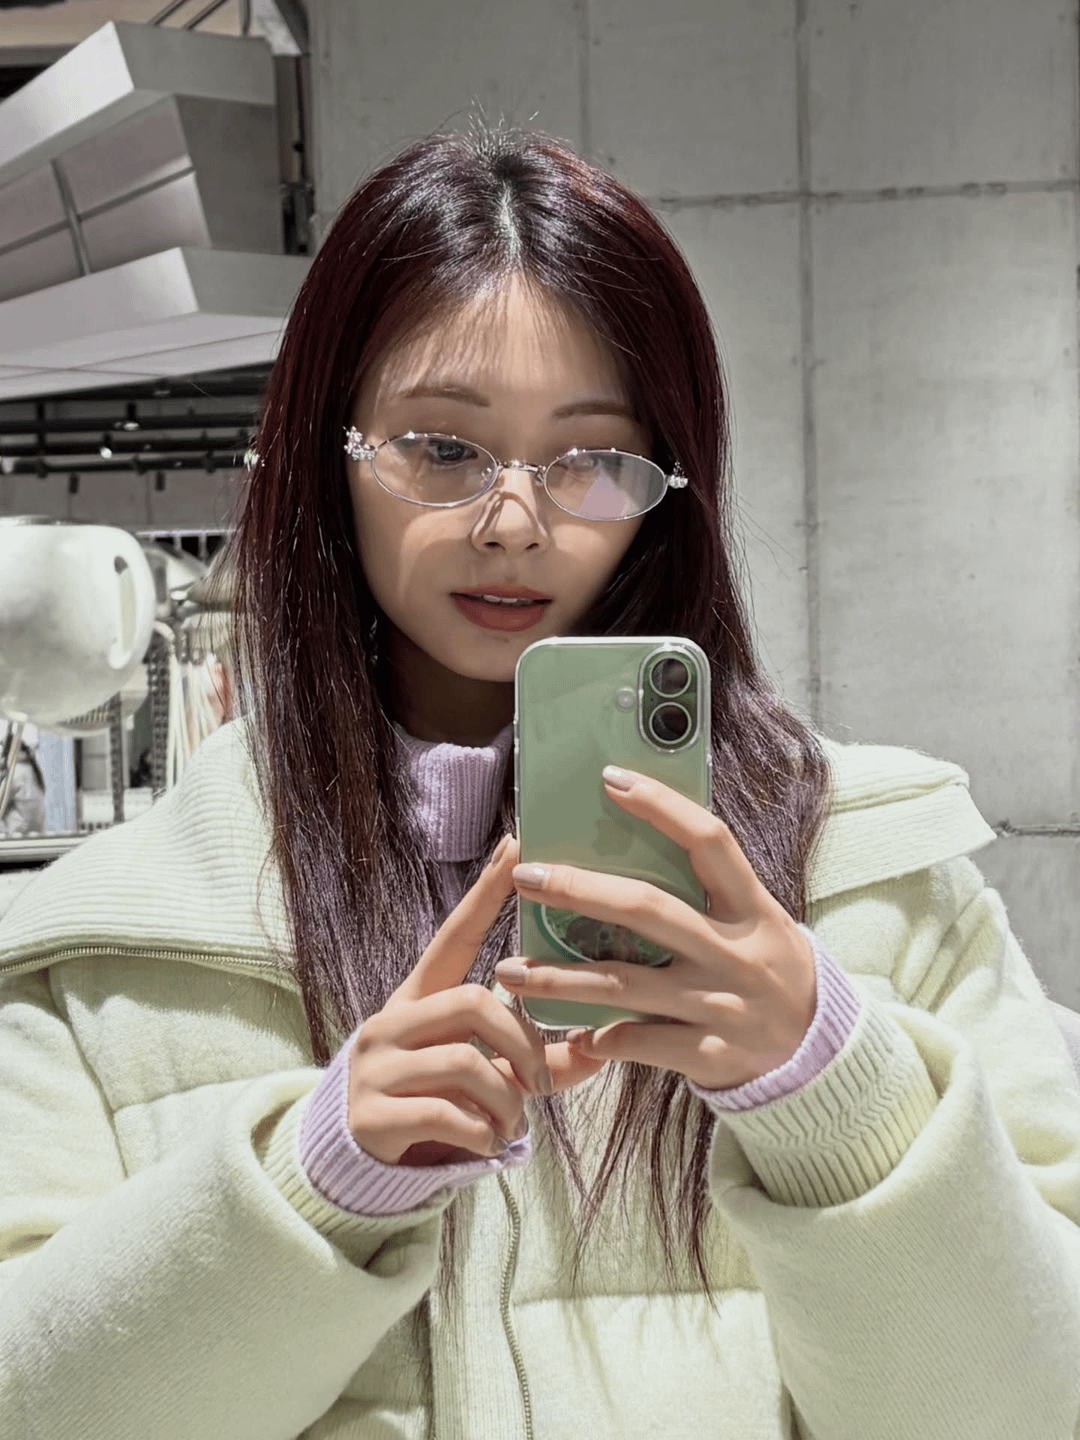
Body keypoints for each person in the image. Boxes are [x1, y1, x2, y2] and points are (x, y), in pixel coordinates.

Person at [0, 123, 1078, 1440]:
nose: (515, 521)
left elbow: (1037, 1409)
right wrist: (315, 1177)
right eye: (441, 449)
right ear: (331, 456)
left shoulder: (876, 884)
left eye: (591, 460)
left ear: (665, 485)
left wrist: (832, 1087)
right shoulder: (106, 954)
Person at [0, 725, 46, 838]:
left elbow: (1, 801)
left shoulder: (15, 773)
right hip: (36, 831)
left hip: (17, 832)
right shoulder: (31, 768)